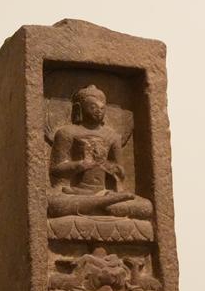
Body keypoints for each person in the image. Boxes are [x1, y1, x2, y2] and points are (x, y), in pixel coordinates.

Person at [48, 85, 153, 219]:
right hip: (74, 193)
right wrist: (80, 165)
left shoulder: (112, 136)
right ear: (79, 108)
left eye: (102, 108)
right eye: (93, 107)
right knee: (55, 205)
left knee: (145, 207)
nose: (98, 111)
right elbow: (56, 170)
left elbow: (121, 172)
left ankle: (101, 204)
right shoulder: (66, 133)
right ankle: (105, 205)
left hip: (103, 192)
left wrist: (107, 166)